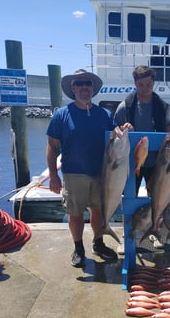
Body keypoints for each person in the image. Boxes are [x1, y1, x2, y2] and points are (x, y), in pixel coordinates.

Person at [46, 69, 118, 268]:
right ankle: (78, 248)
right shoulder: (62, 115)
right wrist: (53, 175)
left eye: (87, 83)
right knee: (75, 213)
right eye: (79, 83)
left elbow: (116, 141)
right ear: (73, 88)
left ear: (93, 88)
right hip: (73, 173)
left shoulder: (105, 114)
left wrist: (125, 128)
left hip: (101, 174)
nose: (84, 87)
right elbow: (52, 147)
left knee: (99, 212)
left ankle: (98, 243)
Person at [114, 65, 170, 194]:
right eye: (141, 85)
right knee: (129, 198)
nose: (145, 88)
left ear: (153, 83)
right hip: (131, 163)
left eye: (148, 84)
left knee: (157, 197)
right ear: (135, 83)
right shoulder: (125, 106)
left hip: (156, 163)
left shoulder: (164, 107)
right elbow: (115, 133)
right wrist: (125, 128)